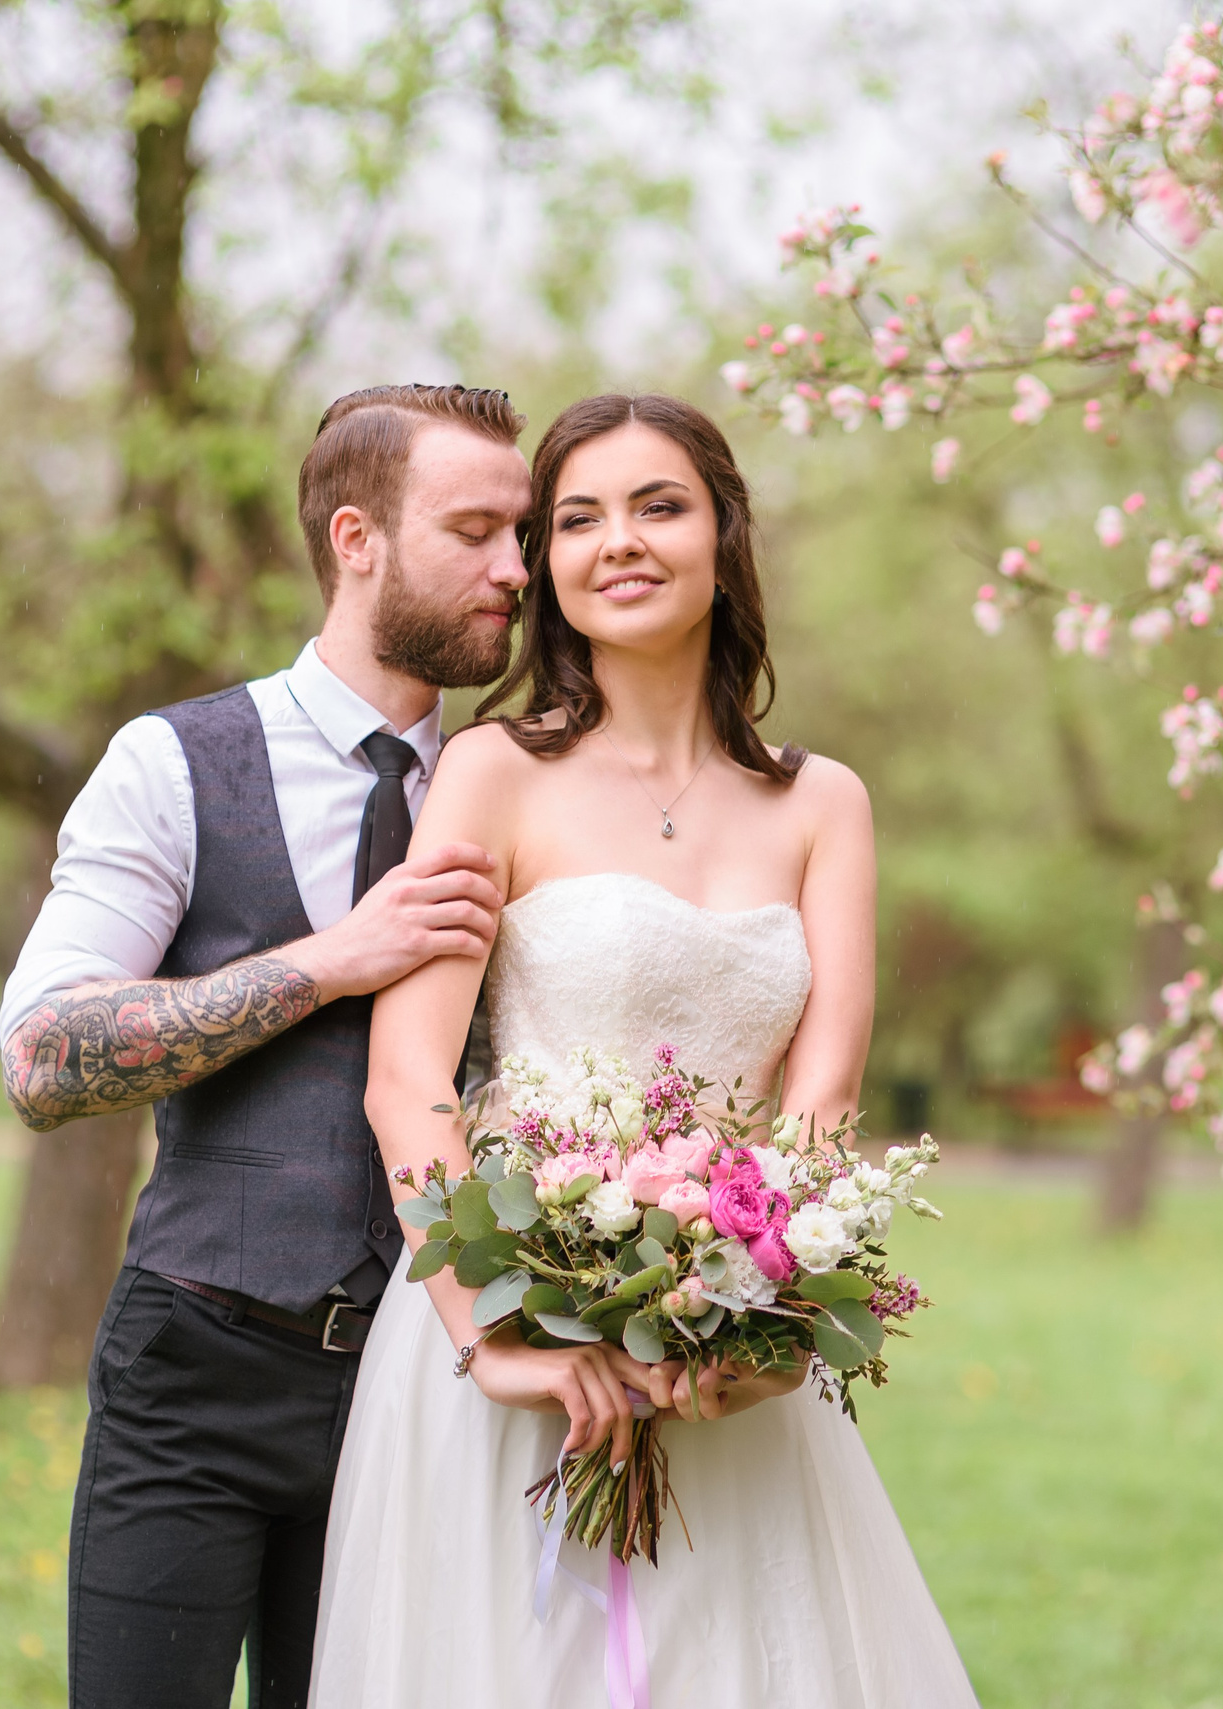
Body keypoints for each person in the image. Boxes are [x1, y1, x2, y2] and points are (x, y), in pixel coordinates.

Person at [311, 394, 979, 1705]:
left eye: (658, 505)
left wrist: (761, 1318)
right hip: (506, 1326)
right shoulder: (494, 771)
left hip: (725, 1351)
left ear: (723, 535)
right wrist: (491, 1338)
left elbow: (822, 1098)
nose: (619, 541)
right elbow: (409, 1084)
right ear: (547, 565)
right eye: (577, 518)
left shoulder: (822, 801)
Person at [0, 383, 536, 1709]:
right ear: (358, 538)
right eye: (476, 531)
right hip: (197, 1377)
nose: (517, 572)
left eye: (523, 536)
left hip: (427, 1396)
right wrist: (325, 960)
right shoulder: (171, 762)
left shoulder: (528, 789)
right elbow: (43, 1057)